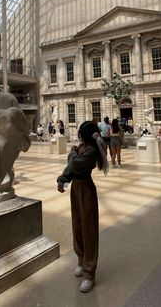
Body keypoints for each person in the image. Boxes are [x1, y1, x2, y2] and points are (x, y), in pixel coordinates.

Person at [57, 121, 108, 293]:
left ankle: (89, 273)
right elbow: (71, 168)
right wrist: (63, 179)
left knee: (89, 228)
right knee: (77, 226)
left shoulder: (92, 149)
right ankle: (81, 259)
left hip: (86, 188)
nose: (79, 136)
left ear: (85, 135)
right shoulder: (83, 146)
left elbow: (76, 164)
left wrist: (71, 153)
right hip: (76, 187)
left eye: (80, 133)